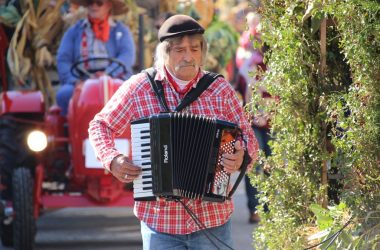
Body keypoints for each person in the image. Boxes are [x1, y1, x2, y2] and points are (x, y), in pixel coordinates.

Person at [88, 14, 258, 249]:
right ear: (164, 53)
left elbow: (249, 138)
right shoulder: (140, 87)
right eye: (179, 50)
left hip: (213, 220)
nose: (188, 57)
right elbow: (100, 125)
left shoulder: (219, 90)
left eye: (195, 49)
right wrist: (112, 159)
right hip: (160, 222)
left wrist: (240, 158)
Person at [56, 0, 136, 116]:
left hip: (114, 77)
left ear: (109, 5)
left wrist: (107, 75)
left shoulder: (121, 30)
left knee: (134, 95)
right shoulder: (74, 31)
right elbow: (63, 59)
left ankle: (130, 131)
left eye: (99, 3)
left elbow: (127, 56)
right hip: (81, 78)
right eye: (90, 2)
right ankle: (71, 130)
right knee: (64, 94)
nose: (94, 6)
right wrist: (76, 81)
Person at [235, 12, 271, 224]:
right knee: (255, 164)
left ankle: (269, 207)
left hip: (275, 122)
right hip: (254, 122)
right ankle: (255, 209)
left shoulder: (279, 64)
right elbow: (243, 92)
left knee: (272, 165)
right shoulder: (248, 63)